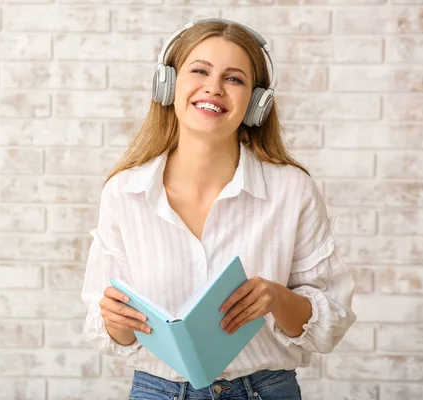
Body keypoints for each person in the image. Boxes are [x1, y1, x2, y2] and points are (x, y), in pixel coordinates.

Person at [80, 18, 356, 400]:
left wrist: (276, 298)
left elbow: (330, 324)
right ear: (168, 84)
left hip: (264, 390)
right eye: (199, 71)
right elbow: (110, 334)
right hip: (156, 391)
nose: (214, 87)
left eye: (234, 79)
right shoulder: (123, 193)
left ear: (257, 103)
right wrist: (116, 320)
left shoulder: (292, 191)